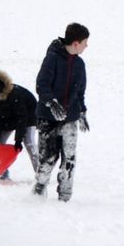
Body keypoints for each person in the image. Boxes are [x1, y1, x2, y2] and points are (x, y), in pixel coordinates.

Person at [33, 22, 89, 201]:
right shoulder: (52, 58)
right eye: (85, 42)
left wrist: (81, 112)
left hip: (69, 118)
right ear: (75, 43)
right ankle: (38, 191)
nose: (86, 46)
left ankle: (65, 197)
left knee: (70, 159)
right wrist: (51, 102)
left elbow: (80, 92)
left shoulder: (80, 64)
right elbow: (42, 85)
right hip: (47, 118)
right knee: (48, 159)